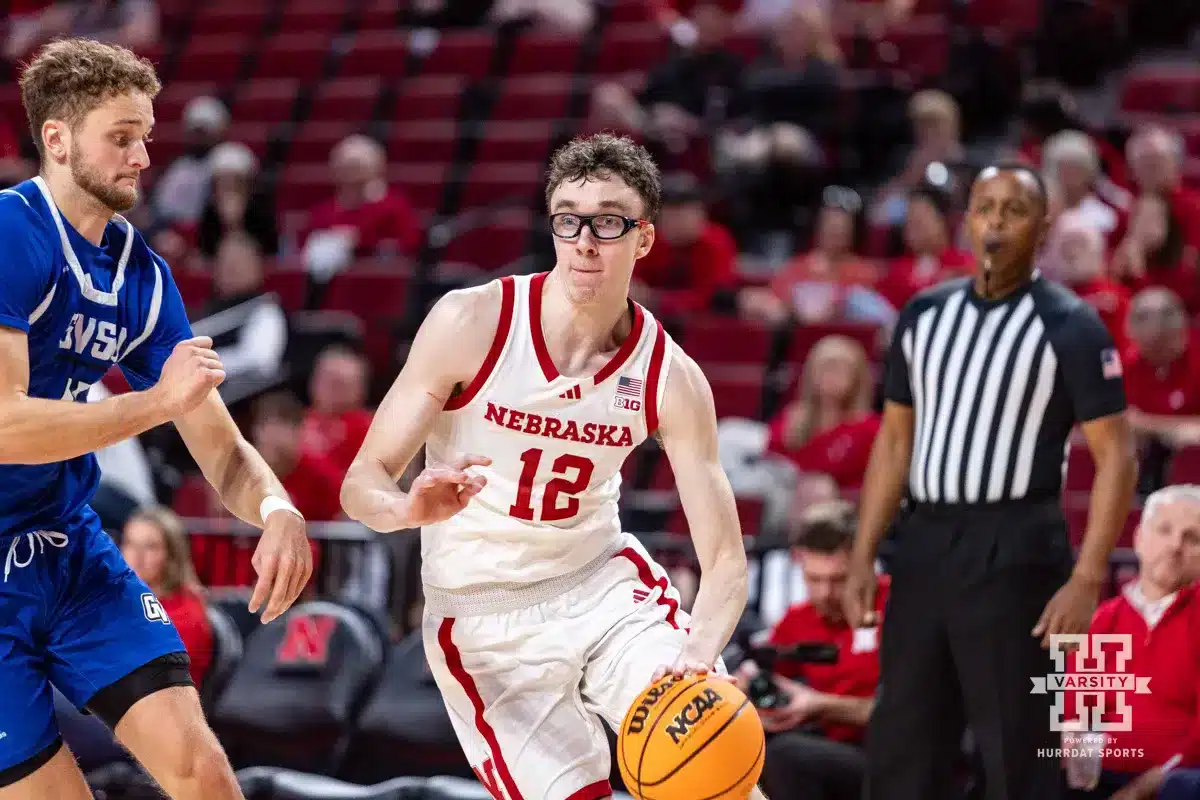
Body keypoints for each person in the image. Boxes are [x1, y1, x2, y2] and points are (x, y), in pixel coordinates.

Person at [341, 132, 765, 800]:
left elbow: (726, 564)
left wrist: (699, 653)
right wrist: (403, 509)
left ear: (644, 239)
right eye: (569, 219)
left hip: (600, 585)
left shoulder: (670, 376)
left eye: (608, 221)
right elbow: (360, 482)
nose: (586, 241)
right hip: (482, 616)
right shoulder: (472, 321)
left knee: (714, 766)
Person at [0, 38, 312, 799]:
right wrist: (153, 404)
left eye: (146, 135)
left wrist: (275, 508)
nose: (143, 155)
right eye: (121, 136)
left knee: (204, 775)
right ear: (57, 139)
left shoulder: (142, 275)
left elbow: (220, 445)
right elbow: (5, 425)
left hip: (67, 548)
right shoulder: (10, 232)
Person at [843, 163, 1138, 800]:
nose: (997, 223)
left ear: (1043, 227)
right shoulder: (923, 315)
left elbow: (1117, 457)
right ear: (967, 219)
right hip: (924, 542)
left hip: (1017, 546)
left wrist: (1086, 578)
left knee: (1015, 745)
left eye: (1014, 209)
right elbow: (894, 443)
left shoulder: (1073, 327)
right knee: (904, 738)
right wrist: (864, 553)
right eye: (985, 208)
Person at [120, 506, 214, 688]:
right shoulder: (124, 598)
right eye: (130, 544)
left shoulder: (187, 614)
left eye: (150, 547)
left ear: (171, 556)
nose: (136, 557)